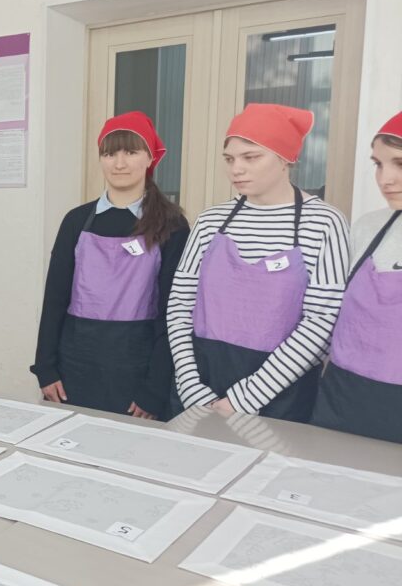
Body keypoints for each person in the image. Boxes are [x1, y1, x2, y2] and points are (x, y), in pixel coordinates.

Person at [168, 103, 350, 422]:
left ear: (285, 159)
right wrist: (191, 386)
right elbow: (180, 304)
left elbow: (322, 320)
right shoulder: (211, 221)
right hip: (201, 384)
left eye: (251, 157)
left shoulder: (324, 223)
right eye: (229, 159)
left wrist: (246, 397)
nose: (236, 169)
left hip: (281, 395)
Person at [32, 111, 189, 420]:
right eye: (109, 154)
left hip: (137, 373)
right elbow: (55, 299)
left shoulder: (172, 225)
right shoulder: (76, 221)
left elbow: (174, 314)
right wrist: (46, 368)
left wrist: (155, 389)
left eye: (130, 152)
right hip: (75, 369)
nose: (119, 163)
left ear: (150, 158)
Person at [311, 112, 402, 442]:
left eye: (399, 164)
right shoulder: (368, 226)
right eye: (378, 164)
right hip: (342, 395)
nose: (385, 179)